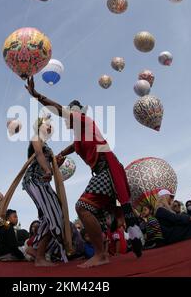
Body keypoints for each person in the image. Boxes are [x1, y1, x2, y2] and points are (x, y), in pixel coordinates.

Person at [25, 77, 143, 268]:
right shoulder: (81, 135)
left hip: (107, 169)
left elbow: (58, 109)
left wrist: (38, 96)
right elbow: (74, 146)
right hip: (104, 170)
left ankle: (100, 254)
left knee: (82, 207)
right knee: (101, 214)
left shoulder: (82, 120)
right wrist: (62, 153)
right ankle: (113, 239)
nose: (66, 119)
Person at [22, 113, 67, 266]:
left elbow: (48, 169)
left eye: (50, 125)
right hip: (35, 181)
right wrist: (48, 170)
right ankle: (39, 257)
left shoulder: (48, 146)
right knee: (53, 214)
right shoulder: (36, 138)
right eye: (47, 124)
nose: (49, 126)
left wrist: (56, 166)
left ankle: (34, 249)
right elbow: (40, 155)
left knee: (53, 214)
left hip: (43, 182)